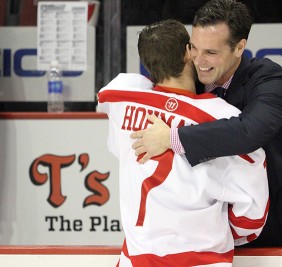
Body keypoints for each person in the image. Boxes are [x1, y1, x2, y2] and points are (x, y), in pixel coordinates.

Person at [131, 0, 282, 247]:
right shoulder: (188, 78)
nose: (199, 60)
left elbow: (248, 131)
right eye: (194, 48)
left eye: (211, 52)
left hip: (275, 226)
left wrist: (172, 137)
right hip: (208, 233)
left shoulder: (269, 78)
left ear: (239, 47)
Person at [98, 19, 270, 266]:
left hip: (136, 260)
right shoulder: (221, 118)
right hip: (202, 259)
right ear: (188, 53)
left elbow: (109, 92)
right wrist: (221, 232)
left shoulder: (121, 100)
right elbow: (252, 214)